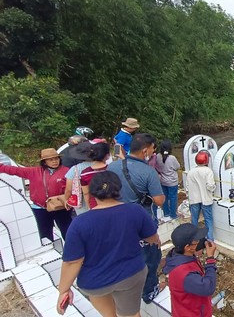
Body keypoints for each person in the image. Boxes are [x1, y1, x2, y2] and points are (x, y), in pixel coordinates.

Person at [57, 171, 160, 317]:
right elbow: (152, 238)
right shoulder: (135, 211)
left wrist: (64, 290)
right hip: (130, 274)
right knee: (131, 314)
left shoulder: (80, 223)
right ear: (118, 189)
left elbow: (73, 261)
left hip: (95, 281)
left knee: (109, 315)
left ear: (92, 193)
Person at [107, 133, 166, 303]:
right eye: (153, 150)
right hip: (141, 223)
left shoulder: (113, 167)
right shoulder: (148, 172)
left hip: (116, 221)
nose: (154, 153)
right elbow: (159, 201)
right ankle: (149, 292)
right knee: (150, 257)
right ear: (145, 150)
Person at [0, 148, 73, 241]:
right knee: (45, 235)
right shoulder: (34, 172)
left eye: (56, 158)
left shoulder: (67, 171)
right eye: (51, 159)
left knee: (68, 232)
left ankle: (75, 253)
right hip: (40, 208)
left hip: (61, 207)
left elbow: (73, 189)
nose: (54, 161)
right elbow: (15, 170)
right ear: (44, 162)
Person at [163, 223, 218, 317]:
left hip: (189, 308)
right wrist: (210, 259)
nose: (200, 241)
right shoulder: (184, 274)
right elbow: (208, 287)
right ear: (187, 247)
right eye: (196, 240)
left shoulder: (180, 256)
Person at [185, 151, 215, 240]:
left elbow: (187, 187)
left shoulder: (191, 172)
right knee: (208, 220)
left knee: (194, 219)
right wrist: (213, 187)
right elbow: (210, 186)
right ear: (206, 161)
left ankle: (194, 239)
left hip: (194, 199)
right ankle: (210, 240)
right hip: (206, 199)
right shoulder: (208, 171)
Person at [155, 140, 180, 220]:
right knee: (173, 198)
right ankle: (173, 215)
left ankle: (166, 213)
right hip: (172, 182)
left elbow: (157, 167)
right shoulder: (172, 158)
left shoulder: (158, 156)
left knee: (164, 197)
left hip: (162, 181)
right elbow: (177, 167)